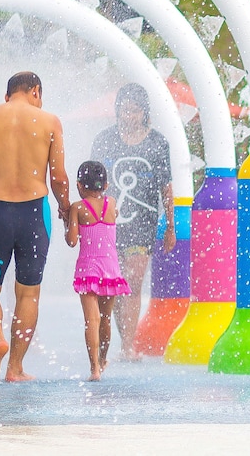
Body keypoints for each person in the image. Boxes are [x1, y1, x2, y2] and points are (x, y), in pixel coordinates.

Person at [0, 71, 70, 382]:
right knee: (28, 294)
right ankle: (15, 368)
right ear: (35, 91)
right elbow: (58, 178)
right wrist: (64, 207)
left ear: (8, 95)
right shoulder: (50, 122)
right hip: (34, 216)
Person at [90, 83, 175, 360]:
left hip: (143, 222)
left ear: (144, 112)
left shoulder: (158, 143)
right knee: (115, 281)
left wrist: (171, 226)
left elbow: (166, 187)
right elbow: (92, 184)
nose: (129, 116)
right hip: (109, 222)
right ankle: (122, 338)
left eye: (135, 111)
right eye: (125, 110)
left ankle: (128, 344)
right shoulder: (104, 140)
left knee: (134, 280)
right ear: (117, 111)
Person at [65, 161, 130, 381]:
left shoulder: (78, 207)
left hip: (88, 269)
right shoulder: (111, 203)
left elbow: (72, 241)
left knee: (91, 321)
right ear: (106, 184)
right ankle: (103, 360)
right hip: (110, 269)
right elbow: (112, 218)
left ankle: (93, 369)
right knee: (105, 319)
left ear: (79, 185)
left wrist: (68, 222)